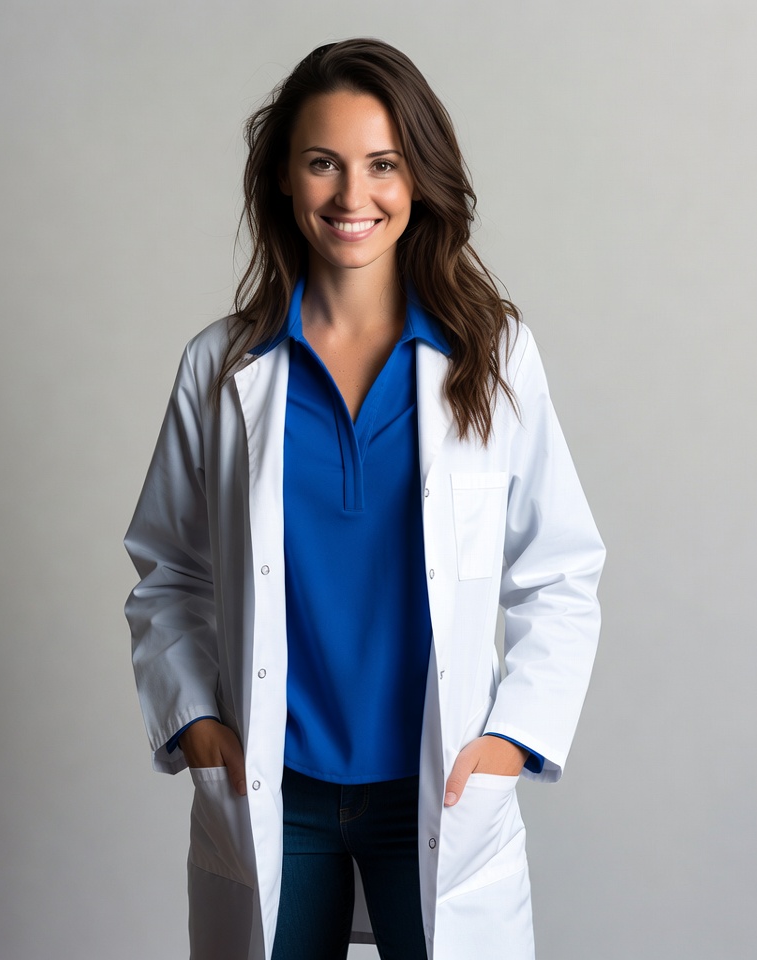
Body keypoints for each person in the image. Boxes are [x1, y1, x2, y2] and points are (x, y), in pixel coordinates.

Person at [124, 38, 604, 960]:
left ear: (420, 176)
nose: (354, 195)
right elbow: (168, 571)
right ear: (283, 179)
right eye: (323, 163)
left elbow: (560, 571)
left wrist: (509, 741)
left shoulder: (494, 359)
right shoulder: (222, 368)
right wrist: (198, 726)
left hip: (437, 786)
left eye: (383, 164)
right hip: (278, 787)